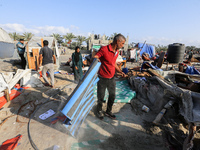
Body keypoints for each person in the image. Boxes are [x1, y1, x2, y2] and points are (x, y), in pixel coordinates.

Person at [93, 34, 126, 120]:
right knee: (101, 96)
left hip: (111, 78)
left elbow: (113, 63)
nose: (122, 46)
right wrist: (96, 59)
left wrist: (120, 71)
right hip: (102, 78)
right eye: (122, 43)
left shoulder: (117, 51)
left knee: (112, 95)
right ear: (117, 41)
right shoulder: (104, 49)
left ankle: (108, 111)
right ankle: (99, 111)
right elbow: (96, 57)